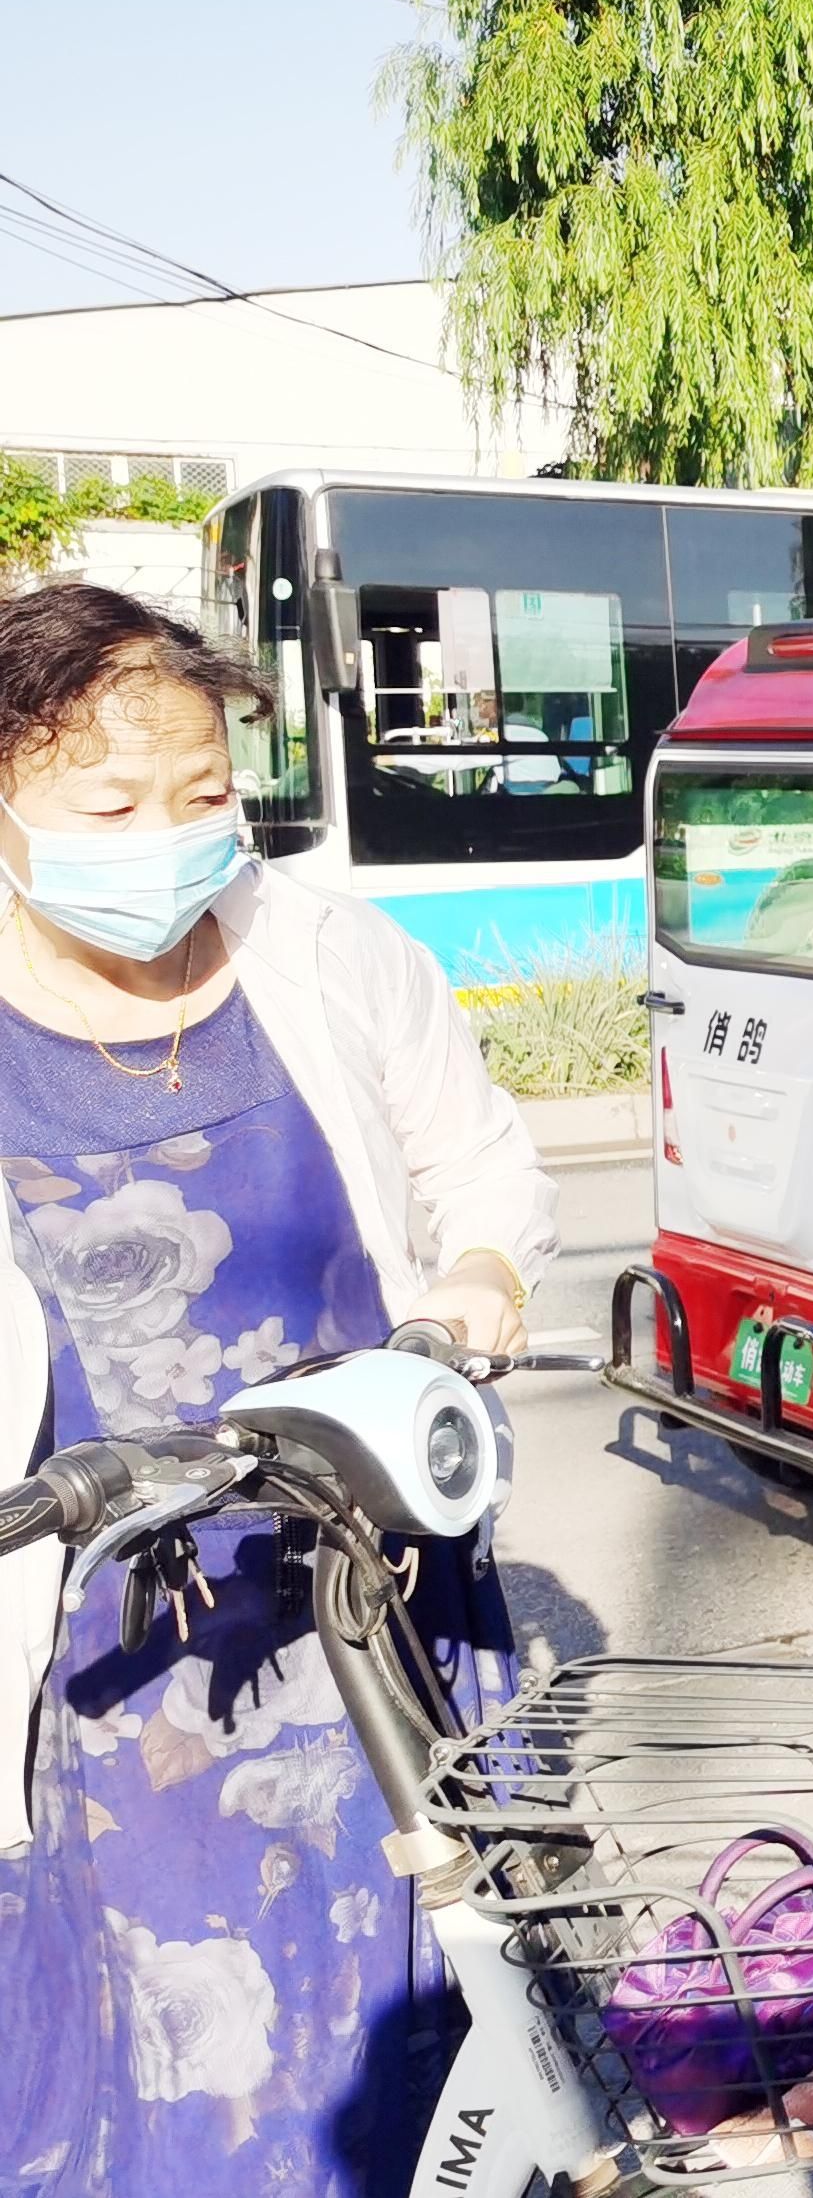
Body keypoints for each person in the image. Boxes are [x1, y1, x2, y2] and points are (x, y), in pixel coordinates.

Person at [0, 584, 556, 2192]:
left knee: (452, 2032)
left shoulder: (318, 946)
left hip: (384, 1597)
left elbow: (487, 1168)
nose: (167, 837)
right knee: (204, 2075)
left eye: (203, 795)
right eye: (109, 805)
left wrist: (479, 1286)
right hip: (124, 1662)